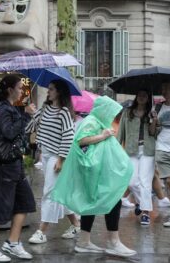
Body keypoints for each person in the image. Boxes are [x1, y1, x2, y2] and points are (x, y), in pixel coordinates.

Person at [52, 96, 135, 257]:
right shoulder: (92, 121)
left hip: (96, 172)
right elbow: (81, 140)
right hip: (95, 173)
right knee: (112, 200)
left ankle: (84, 241)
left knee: (90, 202)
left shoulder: (96, 121)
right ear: (104, 110)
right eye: (111, 112)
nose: (112, 116)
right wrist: (103, 136)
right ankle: (113, 242)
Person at [0, 75, 36, 262]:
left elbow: (16, 132)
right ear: (10, 90)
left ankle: (12, 242)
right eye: (20, 88)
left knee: (25, 202)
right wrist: (25, 114)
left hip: (14, 164)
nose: (22, 91)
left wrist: (25, 115)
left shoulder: (10, 108)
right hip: (1, 166)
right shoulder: (2, 108)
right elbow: (9, 132)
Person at [27, 80, 81, 244]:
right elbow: (30, 128)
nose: (48, 91)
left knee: (49, 192)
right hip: (46, 154)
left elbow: (69, 136)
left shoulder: (64, 112)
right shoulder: (45, 108)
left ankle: (42, 231)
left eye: (51, 89)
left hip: (58, 157)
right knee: (59, 193)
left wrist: (61, 159)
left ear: (59, 92)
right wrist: (31, 113)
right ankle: (76, 224)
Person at [118, 89, 156, 225]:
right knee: (132, 182)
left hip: (148, 150)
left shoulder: (152, 112)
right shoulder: (127, 112)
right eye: (139, 95)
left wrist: (154, 119)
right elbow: (121, 132)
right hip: (131, 150)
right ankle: (141, 203)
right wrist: (117, 149)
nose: (141, 97)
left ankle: (146, 213)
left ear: (148, 98)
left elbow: (153, 133)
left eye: (145, 95)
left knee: (145, 181)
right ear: (136, 97)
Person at [152, 81, 170, 227]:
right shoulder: (158, 107)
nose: (163, 91)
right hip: (162, 149)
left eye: (166, 88)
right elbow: (152, 132)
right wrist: (154, 121)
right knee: (169, 182)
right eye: (162, 88)